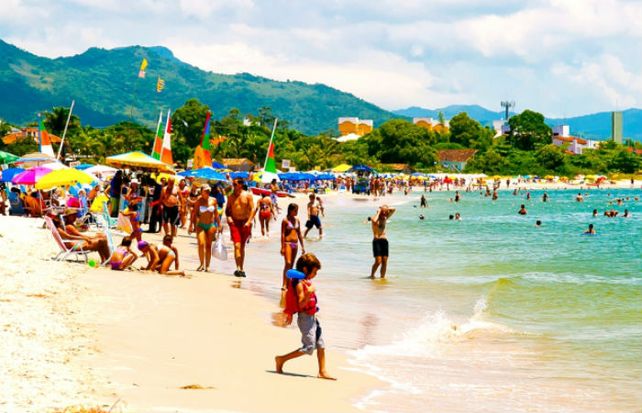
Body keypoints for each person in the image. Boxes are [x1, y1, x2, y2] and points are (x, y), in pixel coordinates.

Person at [275, 253, 335, 380]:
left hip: (313, 318)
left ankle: (322, 371)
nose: (316, 275)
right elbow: (301, 304)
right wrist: (309, 293)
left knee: (321, 344)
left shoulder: (304, 280)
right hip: (305, 319)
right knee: (309, 348)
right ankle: (281, 359)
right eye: (314, 272)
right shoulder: (300, 285)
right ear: (305, 270)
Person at [225, 178, 255, 277]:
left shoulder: (247, 195)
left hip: (245, 222)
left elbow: (252, 209)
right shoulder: (231, 197)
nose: (233, 186)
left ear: (240, 185)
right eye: (233, 184)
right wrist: (229, 218)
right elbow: (227, 210)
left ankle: (241, 268)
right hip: (235, 223)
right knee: (237, 245)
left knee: (242, 246)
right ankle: (237, 268)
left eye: (235, 184)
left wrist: (249, 221)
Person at [194, 185, 221, 272]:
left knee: (209, 246)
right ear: (201, 191)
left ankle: (207, 266)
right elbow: (194, 213)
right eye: (206, 191)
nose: (207, 192)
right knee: (201, 244)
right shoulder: (198, 200)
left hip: (211, 225)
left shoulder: (213, 200)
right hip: (201, 225)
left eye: (208, 191)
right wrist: (191, 224)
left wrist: (219, 225)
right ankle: (201, 264)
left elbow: (216, 213)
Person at [281, 203, 305, 292]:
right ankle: (284, 283)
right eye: (295, 210)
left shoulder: (297, 220)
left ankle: (288, 284)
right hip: (287, 243)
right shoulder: (285, 220)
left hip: (295, 244)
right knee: (287, 263)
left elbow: (299, 233)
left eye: (297, 210)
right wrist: (282, 246)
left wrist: (302, 246)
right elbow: (283, 234)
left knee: (291, 265)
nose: (297, 212)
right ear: (290, 210)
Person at [370, 205, 396, 279]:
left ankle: (382, 278)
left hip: (384, 241)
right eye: (383, 212)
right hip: (377, 241)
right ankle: (372, 275)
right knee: (378, 261)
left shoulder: (385, 218)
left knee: (384, 261)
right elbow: (374, 221)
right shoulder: (374, 218)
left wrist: (385, 208)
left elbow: (394, 209)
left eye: (386, 212)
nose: (385, 213)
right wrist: (379, 212)